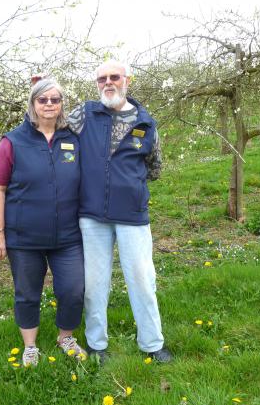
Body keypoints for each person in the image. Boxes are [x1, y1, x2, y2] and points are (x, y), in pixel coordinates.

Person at [67, 60, 172, 363]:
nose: (108, 83)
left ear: (128, 80)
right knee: (95, 282)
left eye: (115, 77)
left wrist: (128, 184)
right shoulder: (84, 114)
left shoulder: (146, 123)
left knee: (141, 279)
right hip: (91, 215)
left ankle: (152, 344)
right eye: (102, 79)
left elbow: (155, 168)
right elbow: (47, 125)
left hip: (132, 215)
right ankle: (97, 345)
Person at [0, 78, 87, 367]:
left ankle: (65, 336)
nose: (49, 105)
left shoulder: (72, 139)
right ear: (32, 104)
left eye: (55, 100)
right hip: (24, 237)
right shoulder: (12, 142)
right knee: (27, 292)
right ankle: (30, 346)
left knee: (73, 289)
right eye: (42, 100)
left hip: (67, 236)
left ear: (61, 105)